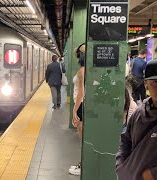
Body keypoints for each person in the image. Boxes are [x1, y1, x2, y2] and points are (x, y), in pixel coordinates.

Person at [69, 43, 85, 176]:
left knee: (83, 138)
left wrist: (74, 111)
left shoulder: (82, 71)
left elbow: (81, 92)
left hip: (81, 106)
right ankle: (83, 163)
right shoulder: (88, 70)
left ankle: (83, 166)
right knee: (84, 137)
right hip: (83, 106)